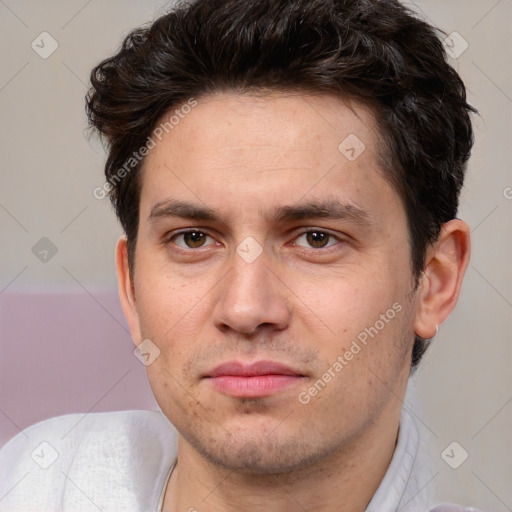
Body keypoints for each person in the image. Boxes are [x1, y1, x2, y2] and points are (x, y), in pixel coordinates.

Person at [0, 0, 482, 510]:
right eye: (193, 239)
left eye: (316, 238)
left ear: (434, 280)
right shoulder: (37, 483)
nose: (245, 309)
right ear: (131, 287)